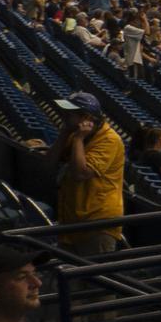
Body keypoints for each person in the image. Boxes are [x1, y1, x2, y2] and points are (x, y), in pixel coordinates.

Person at [54, 93, 126, 256]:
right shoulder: (74, 134)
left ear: (86, 118)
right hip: (72, 218)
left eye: (69, 113)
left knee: (94, 278)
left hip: (98, 222)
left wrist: (78, 139)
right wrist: (65, 133)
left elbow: (80, 174)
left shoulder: (110, 140)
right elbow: (48, 163)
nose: (63, 116)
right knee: (70, 277)